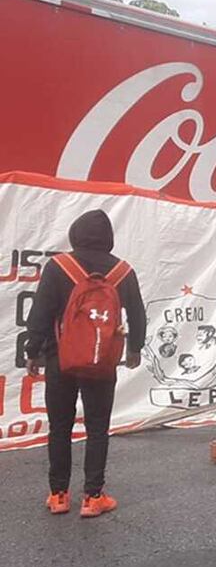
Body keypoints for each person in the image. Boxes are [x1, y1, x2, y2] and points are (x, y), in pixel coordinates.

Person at [25, 210, 146, 518]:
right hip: (101, 360)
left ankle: (59, 495)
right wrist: (135, 349)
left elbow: (40, 313)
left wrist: (33, 351)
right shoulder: (122, 271)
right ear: (109, 238)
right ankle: (93, 497)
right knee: (97, 428)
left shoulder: (58, 267)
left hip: (60, 359)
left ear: (75, 234)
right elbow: (137, 314)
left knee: (60, 427)